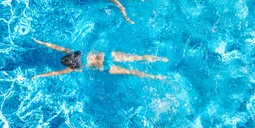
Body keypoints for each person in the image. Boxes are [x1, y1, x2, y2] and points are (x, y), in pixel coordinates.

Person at [31, 38, 167, 80]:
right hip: (106, 56)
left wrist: (38, 76)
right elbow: (55, 46)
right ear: (69, 57)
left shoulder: (72, 68)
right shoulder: (75, 53)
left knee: (130, 72)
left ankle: (155, 77)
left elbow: (54, 73)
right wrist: (40, 42)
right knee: (137, 57)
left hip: (106, 67)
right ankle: (160, 59)